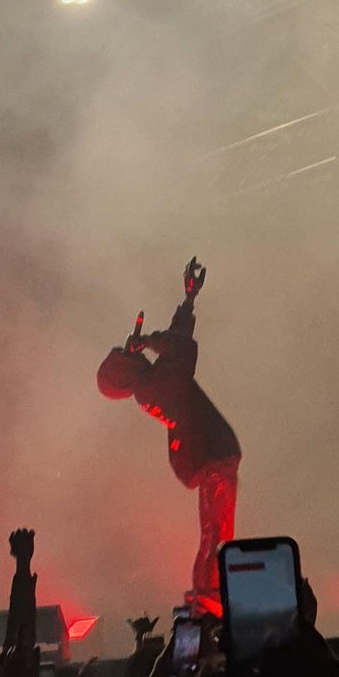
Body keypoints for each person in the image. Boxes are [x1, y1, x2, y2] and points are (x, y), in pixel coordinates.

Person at [97, 259, 241, 613]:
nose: (129, 351)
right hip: (213, 457)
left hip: (209, 458)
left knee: (214, 531)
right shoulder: (154, 387)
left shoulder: (151, 387)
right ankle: (209, 598)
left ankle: (208, 596)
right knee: (217, 534)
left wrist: (188, 302)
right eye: (124, 355)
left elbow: (177, 347)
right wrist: (147, 340)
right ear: (123, 374)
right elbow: (182, 351)